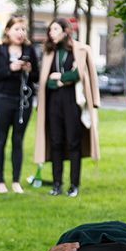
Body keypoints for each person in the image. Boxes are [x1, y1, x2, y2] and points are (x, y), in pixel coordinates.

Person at [34, 18, 100, 198]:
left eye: (55, 29)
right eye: (50, 30)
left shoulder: (79, 49)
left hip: (72, 102)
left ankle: (74, 184)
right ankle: (57, 184)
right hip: (53, 102)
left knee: (73, 142)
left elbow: (78, 74)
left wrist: (61, 77)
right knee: (56, 142)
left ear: (65, 31)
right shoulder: (49, 52)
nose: (51, 33)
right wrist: (59, 81)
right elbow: (46, 81)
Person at [0, 16, 39, 194]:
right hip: (2, 98)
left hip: (23, 101)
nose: (20, 33)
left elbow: (37, 77)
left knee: (18, 140)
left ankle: (16, 181)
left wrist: (29, 70)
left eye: (23, 30)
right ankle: (0, 181)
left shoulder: (29, 49)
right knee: (1, 138)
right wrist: (11, 68)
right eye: (17, 29)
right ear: (8, 31)